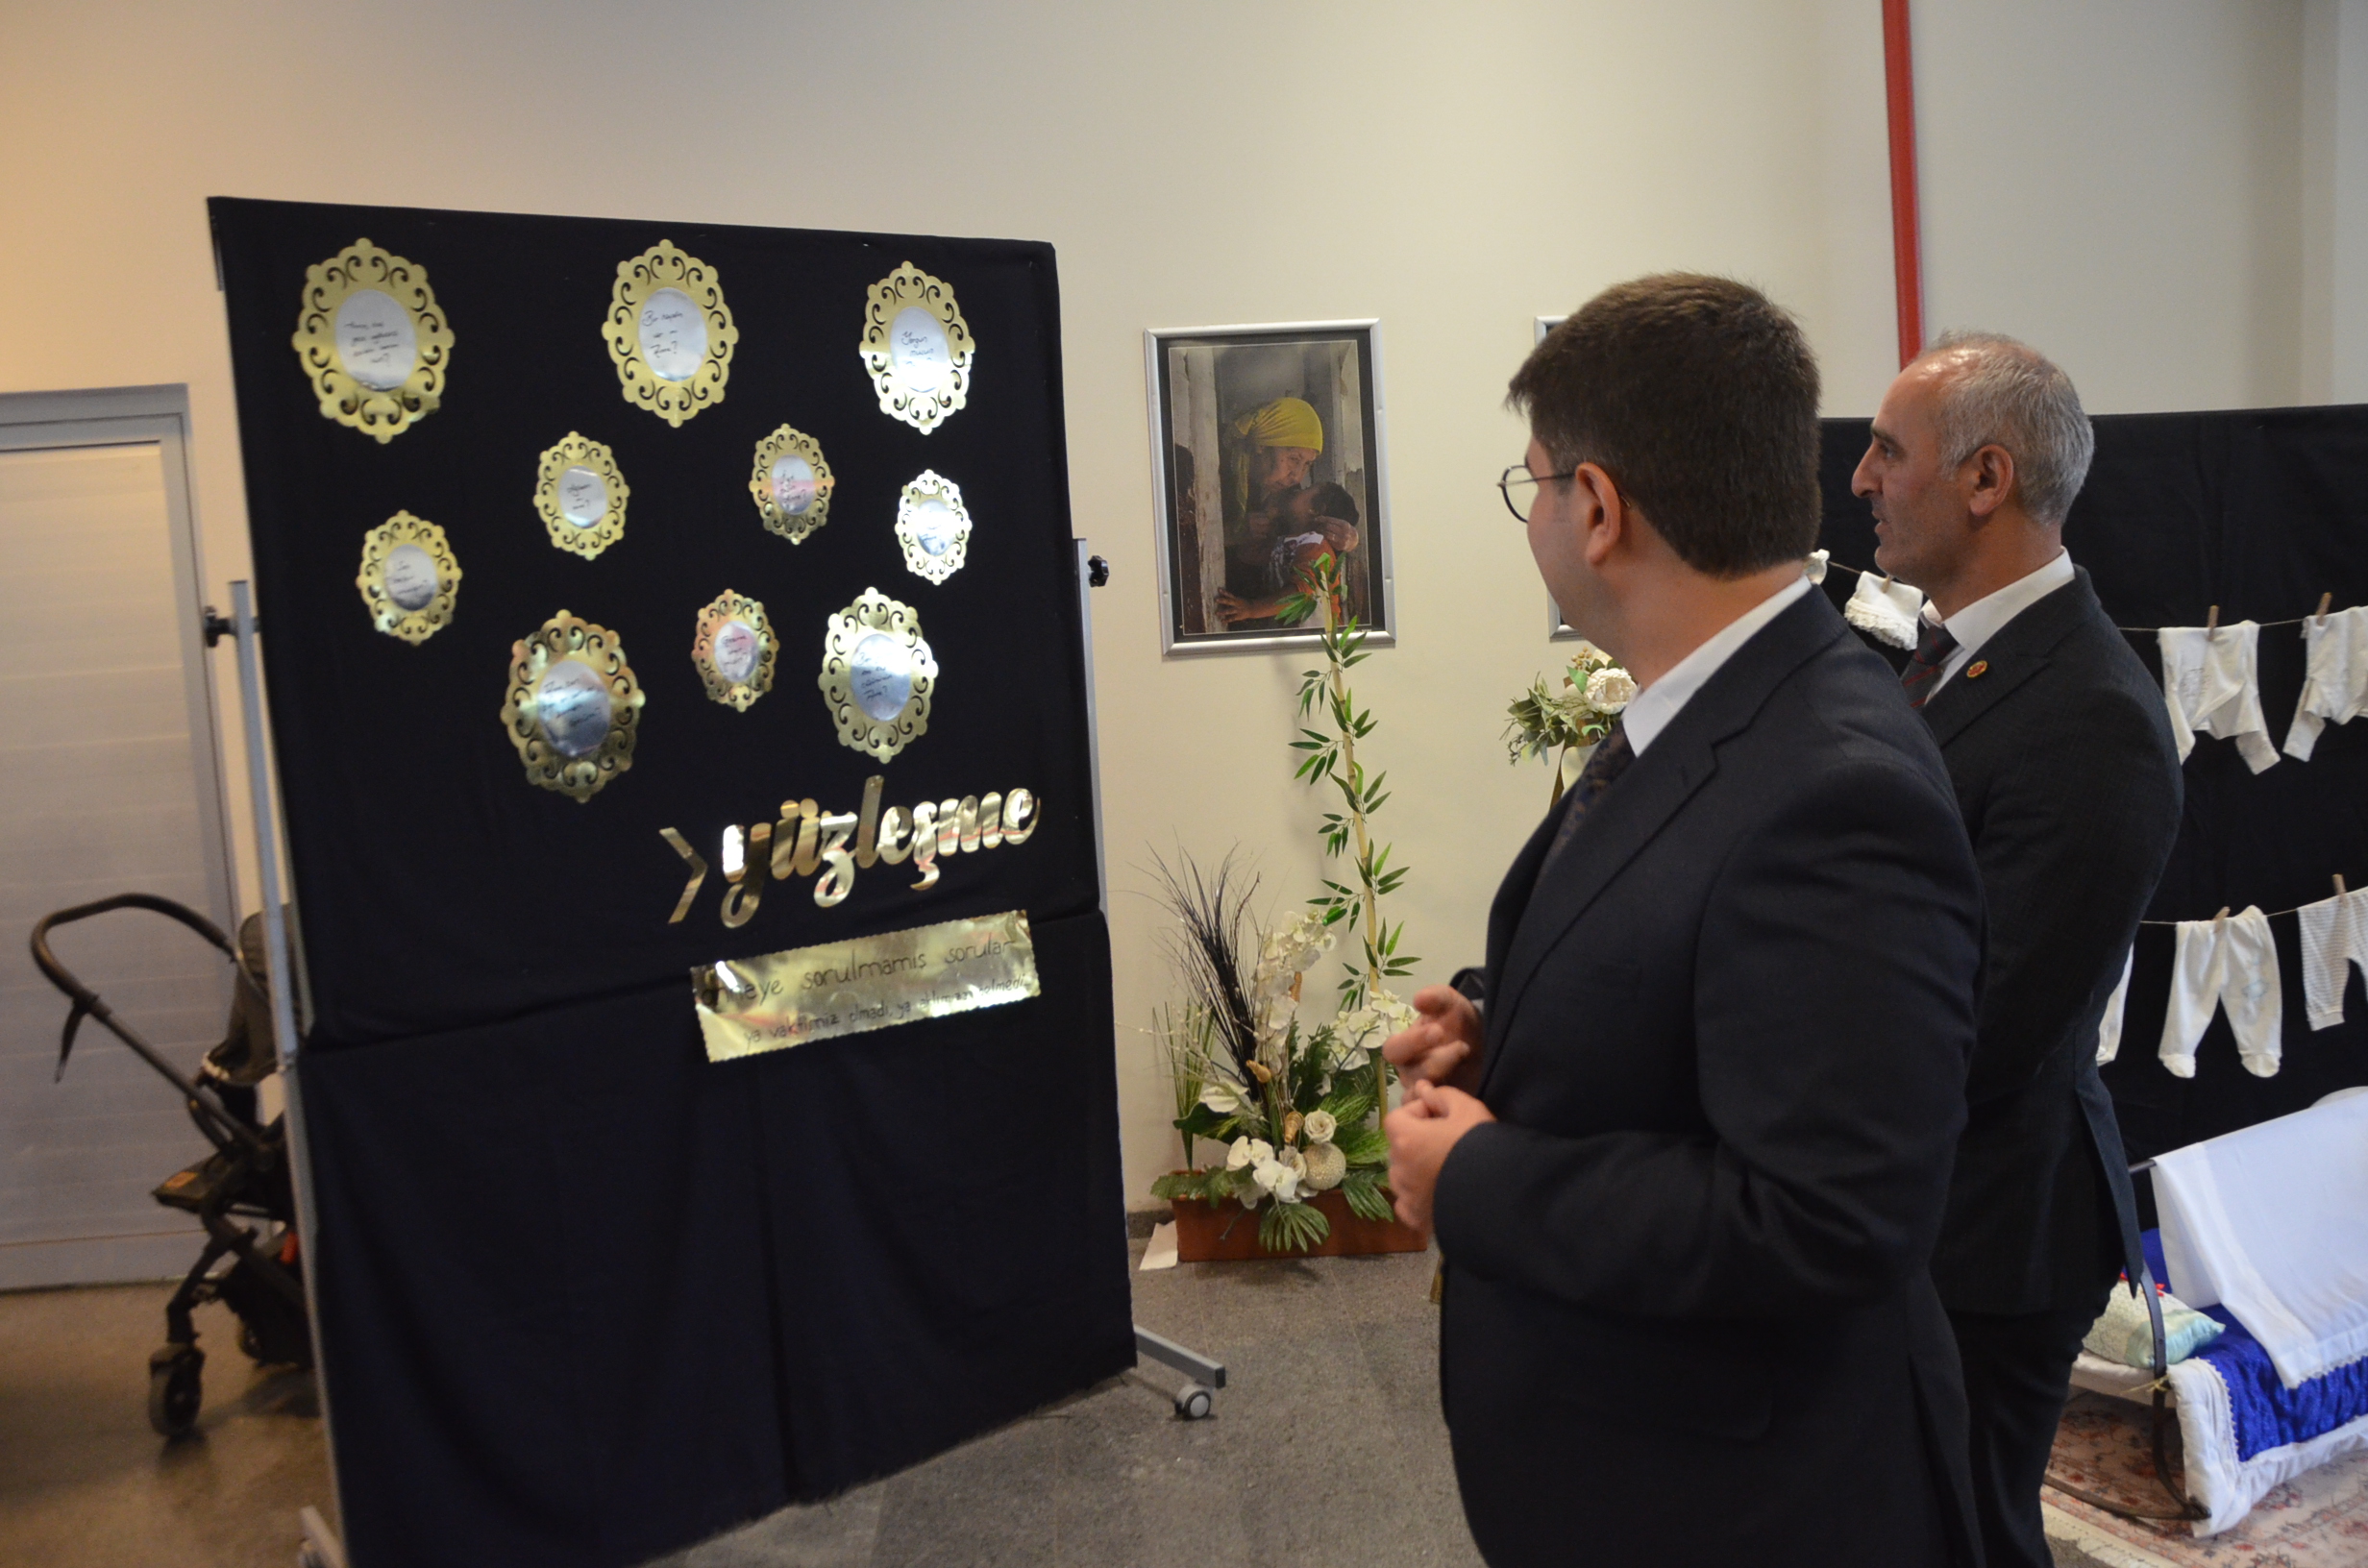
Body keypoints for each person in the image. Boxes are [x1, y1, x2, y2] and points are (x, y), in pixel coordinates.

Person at [1382, 274, 1986, 1567]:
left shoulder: (1836, 788)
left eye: (1535, 486)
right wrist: (1498, 1031)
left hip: (1743, 1507)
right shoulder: (1710, 703)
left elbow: (1829, 1216)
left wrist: (1480, 1177)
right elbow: (1683, 962)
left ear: (1597, 508)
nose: (1536, 517)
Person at [1852, 332, 2183, 1568]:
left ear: (1985, 478)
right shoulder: (1947, 656)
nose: (1860, 478)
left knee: (1966, 1536)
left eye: (1887, 451)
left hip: (1990, 1231)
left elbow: (1989, 1023)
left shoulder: (2091, 713)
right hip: (1919, 1203)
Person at [1213, 481, 1361, 625]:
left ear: (1315, 509)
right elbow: (1246, 555)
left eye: (1307, 489)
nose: (1297, 489)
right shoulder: (1289, 541)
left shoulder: (1316, 546)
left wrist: (1251, 609)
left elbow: (1300, 594)